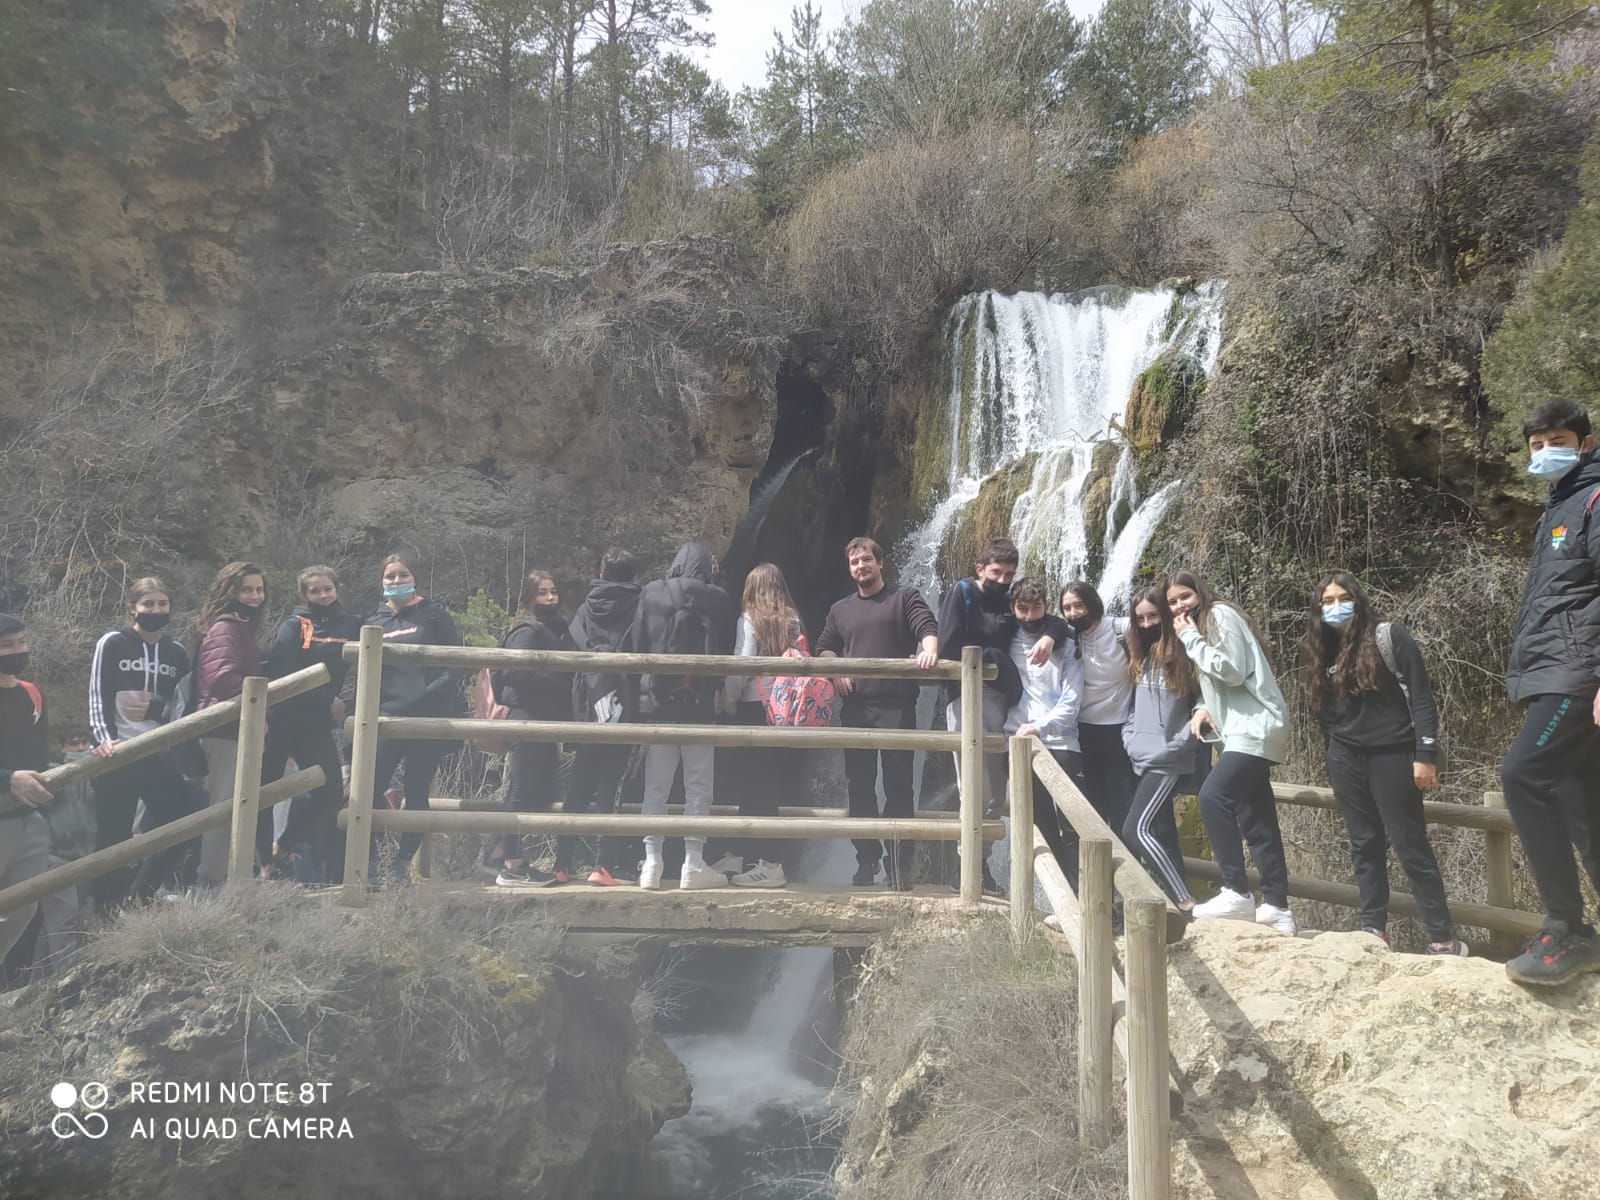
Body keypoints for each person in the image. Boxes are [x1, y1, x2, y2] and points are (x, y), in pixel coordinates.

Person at [1303, 573, 1465, 955]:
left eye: (1343, 598)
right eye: (1327, 601)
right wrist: (1332, 751)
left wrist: (1425, 755)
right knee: (1364, 844)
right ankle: (1373, 929)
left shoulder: (1388, 636)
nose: (1336, 606)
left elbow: (1421, 698)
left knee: (1411, 846)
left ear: (1358, 600)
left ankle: (1442, 939)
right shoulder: (1320, 648)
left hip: (1394, 754)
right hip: (1345, 757)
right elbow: (1323, 711)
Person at [1500, 399, 1600, 987]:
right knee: (1585, 806)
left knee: (1524, 775)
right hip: (1556, 668)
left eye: (1557, 440)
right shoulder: (1557, 507)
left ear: (1584, 443)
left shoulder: (1593, 498)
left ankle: (1566, 927)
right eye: (1536, 444)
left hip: (1577, 671)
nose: (1545, 452)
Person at [1168, 570, 1297, 934]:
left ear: (1200, 592)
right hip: (1242, 731)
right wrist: (1201, 707)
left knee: (1213, 796)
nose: (1179, 607)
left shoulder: (1219, 615)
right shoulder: (1204, 626)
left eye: (1185, 597)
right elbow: (1216, 683)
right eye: (1172, 602)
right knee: (1256, 817)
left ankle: (1236, 891)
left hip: (1255, 727)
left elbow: (1233, 671)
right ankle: (1277, 907)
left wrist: (1190, 638)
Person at [937, 538, 1064, 894]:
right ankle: (967, 867)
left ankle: (981, 863)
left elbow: (1048, 620)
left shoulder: (1009, 602)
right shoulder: (962, 593)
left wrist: (1051, 636)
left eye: (1009, 574)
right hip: (968, 699)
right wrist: (995, 658)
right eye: (996, 572)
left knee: (997, 792)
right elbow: (948, 645)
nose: (1003, 580)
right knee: (974, 787)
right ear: (980, 568)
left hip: (1004, 706)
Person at [815, 537, 939, 890]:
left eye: (866, 559)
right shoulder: (840, 609)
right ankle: (865, 861)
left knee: (898, 786)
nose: (861, 566)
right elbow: (824, 647)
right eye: (855, 562)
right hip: (856, 707)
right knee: (860, 786)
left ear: (880, 562)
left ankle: (899, 866)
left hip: (898, 706)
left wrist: (929, 651)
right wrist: (835, 670)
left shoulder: (904, 597)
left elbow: (926, 627)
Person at [623, 543, 735, 891]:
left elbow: (637, 644)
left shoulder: (652, 592)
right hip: (699, 705)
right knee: (698, 786)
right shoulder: (718, 598)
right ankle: (693, 863)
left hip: (660, 702)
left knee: (656, 786)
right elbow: (728, 650)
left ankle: (651, 863)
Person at [87, 576, 194, 911]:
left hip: (159, 753)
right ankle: (105, 910)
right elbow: (98, 695)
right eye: (148, 604)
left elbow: (184, 704)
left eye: (163, 604)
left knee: (182, 820)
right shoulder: (112, 643)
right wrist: (105, 739)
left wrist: (158, 709)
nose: (156, 610)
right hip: (118, 753)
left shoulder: (177, 652)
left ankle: (142, 892)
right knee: (113, 834)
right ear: (132, 608)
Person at [368, 553, 464, 887]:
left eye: (403, 575)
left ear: (414, 578)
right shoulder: (375, 621)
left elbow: (456, 662)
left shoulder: (433, 615)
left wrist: (430, 693)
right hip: (387, 715)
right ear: (382, 581)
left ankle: (401, 863)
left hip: (427, 714)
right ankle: (370, 860)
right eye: (390, 576)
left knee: (417, 790)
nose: (396, 581)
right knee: (371, 786)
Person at [261, 566, 361, 883]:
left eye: (327, 589)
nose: (323, 595)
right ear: (304, 595)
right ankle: (263, 865)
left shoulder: (352, 626)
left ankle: (282, 846)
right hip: (283, 720)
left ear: (337, 589)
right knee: (263, 795)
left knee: (330, 792)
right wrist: (325, 699)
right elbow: (282, 673)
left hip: (317, 726)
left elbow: (364, 665)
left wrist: (345, 701)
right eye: (315, 591)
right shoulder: (295, 625)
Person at [721, 563, 807, 888]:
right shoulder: (793, 619)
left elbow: (742, 663)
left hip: (753, 707)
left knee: (753, 782)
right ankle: (742, 855)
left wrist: (729, 703)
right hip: (785, 708)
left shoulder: (749, 619)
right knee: (766, 781)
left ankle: (770, 864)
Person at [491, 569, 574, 887]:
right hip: (525, 716)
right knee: (521, 788)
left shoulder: (555, 628)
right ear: (529, 597)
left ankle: (500, 858)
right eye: (542, 593)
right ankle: (511, 867)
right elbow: (513, 672)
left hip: (543, 719)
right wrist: (559, 681)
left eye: (553, 592)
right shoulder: (527, 630)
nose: (550, 598)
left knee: (541, 789)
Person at [566, 547, 643, 886]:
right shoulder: (639, 605)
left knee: (581, 780)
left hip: (587, 699)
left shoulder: (585, 607)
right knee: (612, 782)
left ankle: (561, 862)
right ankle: (602, 864)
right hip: (623, 700)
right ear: (634, 576)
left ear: (601, 572)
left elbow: (573, 640)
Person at [1121, 588, 1199, 913]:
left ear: (1165, 616)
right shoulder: (1141, 656)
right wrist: (1129, 737)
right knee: (1163, 832)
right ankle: (1177, 907)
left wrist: (1175, 746)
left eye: (1153, 616)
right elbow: (1134, 708)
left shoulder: (1185, 655)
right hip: (1140, 757)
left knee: (1134, 830)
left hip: (1168, 762)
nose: (1146, 624)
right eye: (1140, 618)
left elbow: (1202, 709)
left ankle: (1184, 900)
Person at [193, 561, 268, 886]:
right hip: (224, 729)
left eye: (259, 590)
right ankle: (212, 885)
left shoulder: (242, 626)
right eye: (246, 589)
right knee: (224, 809)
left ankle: (230, 882)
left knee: (235, 806)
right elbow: (222, 678)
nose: (254, 596)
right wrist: (260, 707)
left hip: (236, 729)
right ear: (229, 592)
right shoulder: (226, 627)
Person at [1003, 577, 1082, 882]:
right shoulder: (1005, 639)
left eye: (1036, 608)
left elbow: (1072, 700)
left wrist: (1039, 726)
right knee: (1042, 824)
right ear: (1013, 608)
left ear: (1047, 606)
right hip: (1016, 742)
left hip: (1061, 743)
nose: (1029, 616)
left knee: (1074, 824)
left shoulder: (1068, 644)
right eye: (1022, 609)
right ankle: (1063, 893)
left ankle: (1087, 892)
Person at [0, 614, 56, 969]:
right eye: (6, 645)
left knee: (22, 911)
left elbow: (40, 759)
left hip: (29, 823)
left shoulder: (32, 694)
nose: (17, 651)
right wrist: (8, 779)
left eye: (21, 642)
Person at [1061, 581, 1136, 839]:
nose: (1073, 613)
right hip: (1082, 732)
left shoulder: (1121, 629)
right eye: (1067, 608)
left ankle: (1126, 864)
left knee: (1122, 806)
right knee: (1093, 807)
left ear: (1093, 603)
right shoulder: (1069, 638)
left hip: (1120, 730)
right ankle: (1096, 864)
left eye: (1078, 605)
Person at [30, 731, 97, 975]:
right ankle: (67, 983)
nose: (79, 748)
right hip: (53, 857)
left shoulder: (95, 774)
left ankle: (36, 986)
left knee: (55, 925)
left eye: (84, 742)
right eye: (73, 743)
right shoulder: (50, 774)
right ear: (62, 748)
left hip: (84, 857)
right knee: (65, 920)